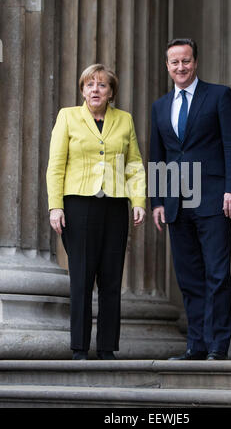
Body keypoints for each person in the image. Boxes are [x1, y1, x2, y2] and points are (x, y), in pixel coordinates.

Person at [149, 38, 231, 360]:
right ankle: (197, 344)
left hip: (215, 199)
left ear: (195, 62)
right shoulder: (160, 106)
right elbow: (158, 154)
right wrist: (158, 201)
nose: (181, 67)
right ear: (167, 66)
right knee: (189, 277)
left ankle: (218, 346)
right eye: (174, 62)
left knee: (217, 274)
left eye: (186, 61)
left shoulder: (219, 95)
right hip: (177, 202)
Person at [47, 63, 146, 360]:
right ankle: (79, 348)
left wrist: (138, 201)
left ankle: (106, 348)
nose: (95, 90)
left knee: (111, 279)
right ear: (82, 89)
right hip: (78, 204)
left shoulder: (125, 120)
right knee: (81, 277)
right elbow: (56, 165)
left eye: (102, 85)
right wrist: (56, 206)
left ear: (111, 92)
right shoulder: (68, 116)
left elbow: (135, 165)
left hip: (115, 205)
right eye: (90, 84)